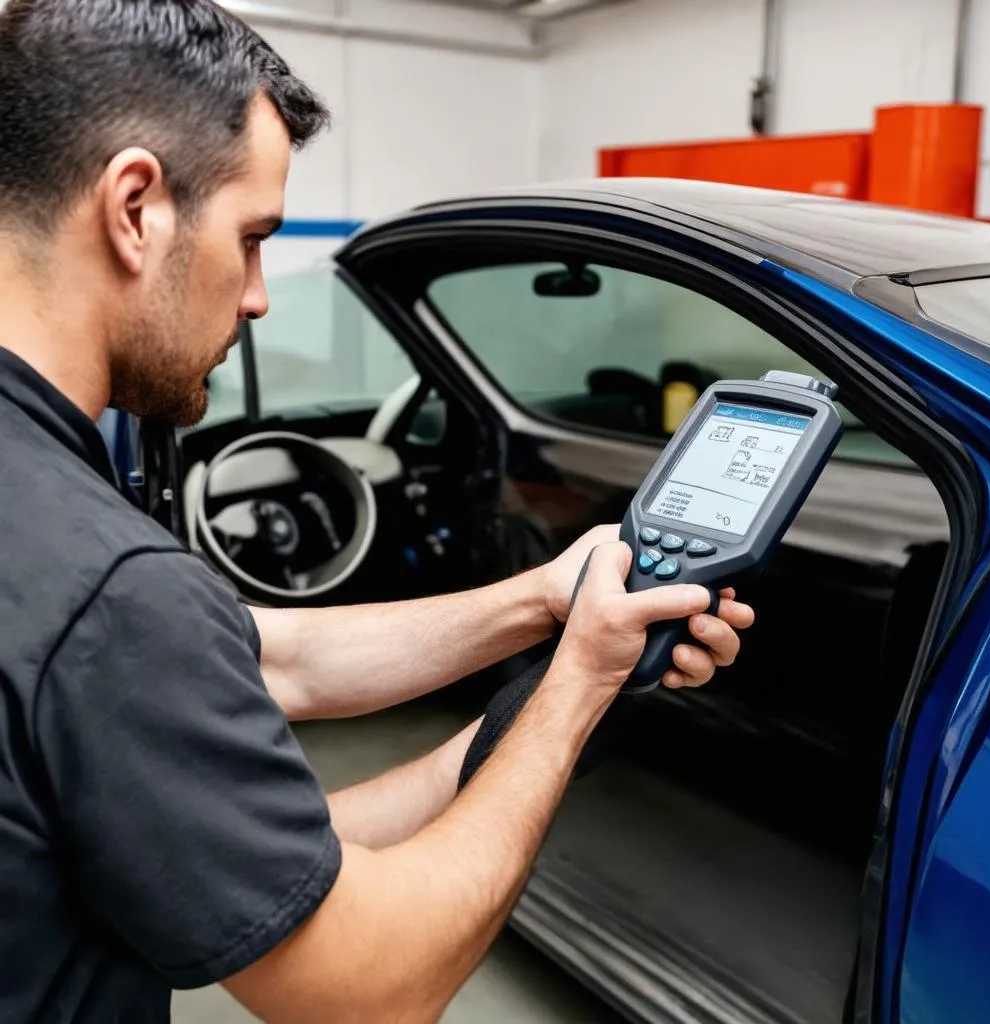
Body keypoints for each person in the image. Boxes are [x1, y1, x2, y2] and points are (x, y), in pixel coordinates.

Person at [0, 2, 755, 1022]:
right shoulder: (110, 593)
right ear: (135, 206)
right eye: (254, 237)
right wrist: (574, 689)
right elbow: (375, 982)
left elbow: (263, 665)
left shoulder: (63, 556)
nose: (260, 294)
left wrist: (546, 613)